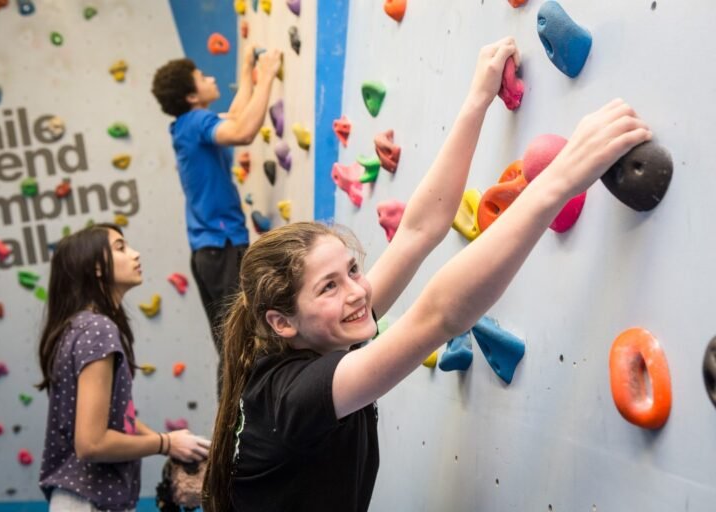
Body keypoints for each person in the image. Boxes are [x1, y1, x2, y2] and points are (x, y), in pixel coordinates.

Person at [201, 37, 651, 511]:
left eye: (352, 270)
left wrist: (478, 99)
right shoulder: (296, 396)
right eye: (329, 286)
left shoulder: (324, 330)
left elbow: (418, 230)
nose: (358, 292)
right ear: (282, 322)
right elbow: (438, 315)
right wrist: (560, 180)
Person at [36, 224, 210, 511]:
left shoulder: (79, 326)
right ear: (97, 268)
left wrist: (172, 442)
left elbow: (115, 419)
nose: (135, 254)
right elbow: (91, 443)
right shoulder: (97, 329)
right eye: (121, 248)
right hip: (89, 501)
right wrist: (165, 443)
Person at [151, 47, 282, 397]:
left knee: (232, 342)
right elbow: (242, 132)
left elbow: (236, 116)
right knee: (239, 343)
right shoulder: (196, 123)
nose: (210, 78)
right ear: (192, 96)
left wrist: (246, 70)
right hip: (222, 247)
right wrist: (267, 75)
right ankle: (235, 428)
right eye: (202, 77)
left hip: (209, 251)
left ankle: (233, 425)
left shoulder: (187, 126)